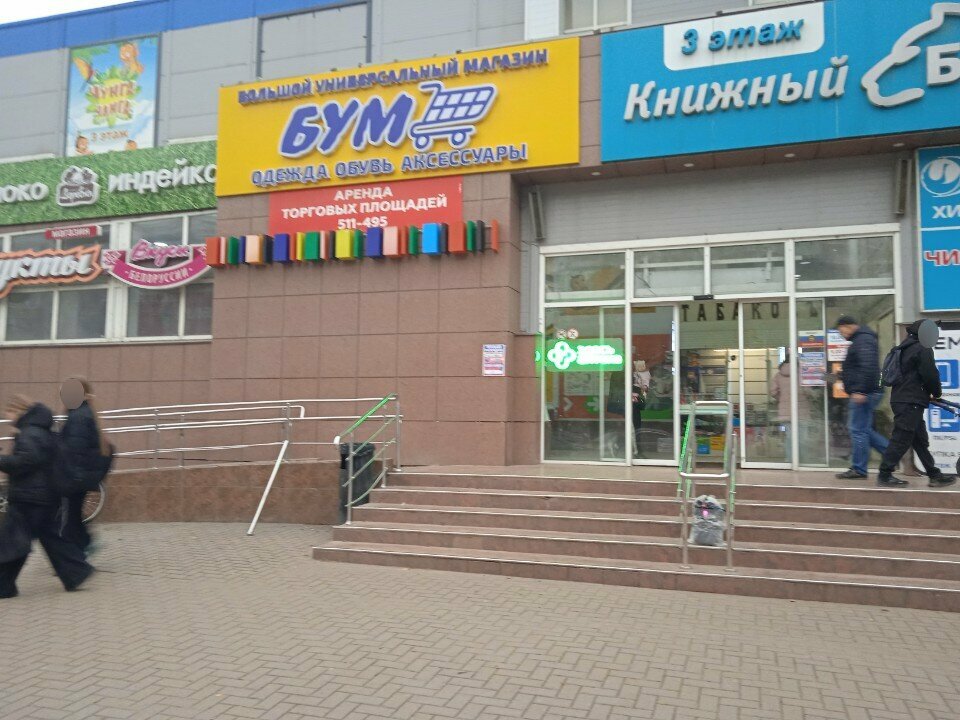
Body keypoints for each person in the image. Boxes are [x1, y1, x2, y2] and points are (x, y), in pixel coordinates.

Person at [0, 396, 94, 599]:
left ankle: (4, 586)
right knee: (49, 538)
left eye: (9, 411)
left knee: (13, 541)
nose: (6, 415)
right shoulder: (39, 430)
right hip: (43, 496)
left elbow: (26, 461)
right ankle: (76, 573)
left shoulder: (30, 433)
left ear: (19, 411)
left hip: (28, 496)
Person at [877, 321, 958, 488]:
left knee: (918, 440)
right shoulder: (922, 348)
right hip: (910, 401)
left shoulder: (904, 347)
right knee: (901, 438)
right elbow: (930, 374)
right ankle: (884, 474)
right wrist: (936, 393)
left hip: (903, 399)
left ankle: (934, 475)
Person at [60, 377, 110, 554]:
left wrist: (70, 475)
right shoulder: (84, 413)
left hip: (76, 475)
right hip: (82, 474)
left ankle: (75, 555)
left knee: (70, 517)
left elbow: (75, 448)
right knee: (73, 515)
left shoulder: (78, 416)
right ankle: (84, 545)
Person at [835, 315, 889, 479]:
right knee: (862, 429)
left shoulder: (863, 340)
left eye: (841, 331)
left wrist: (860, 391)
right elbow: (861, 368)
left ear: (848, 326)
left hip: (864, 393)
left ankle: (859, 469)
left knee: (858, 430)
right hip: (866, 391)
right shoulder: (862, 340)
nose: (842, 334)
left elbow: (868, 368)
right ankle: (892, 454)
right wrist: (844, 375)